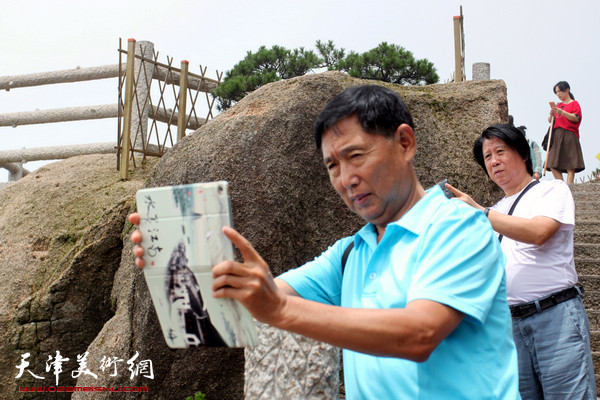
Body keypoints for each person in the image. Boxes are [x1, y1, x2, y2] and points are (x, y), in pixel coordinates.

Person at [130, 86, 520, 399]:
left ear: (405, 143)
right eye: (333, 165)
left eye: (356, 155)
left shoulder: (458, 227)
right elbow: (235, 309)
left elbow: (418, 334)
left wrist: (279, 309)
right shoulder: (351, 253)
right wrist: (177, 265)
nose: (346, 178)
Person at [446, 124, 596, 400]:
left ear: (524, 154)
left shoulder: (552, 191)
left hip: (555, 316)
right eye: (487, 157)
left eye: (500, 151)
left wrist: (479, 212)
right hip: (508, 327)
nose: (494, 161)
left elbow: (539, 233)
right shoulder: (497, 210)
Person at [546, 81, 585, 184]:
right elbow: (550, 120)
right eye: (556, 92)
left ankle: (570, 185)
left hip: (570, 134)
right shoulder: (558, 105)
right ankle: (562, 184)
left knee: (570, 162)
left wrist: (562, 112)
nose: (558, 94)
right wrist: (552, 114)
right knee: (551, 163)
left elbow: (576, 118)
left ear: (567, 90)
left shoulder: (574, 103)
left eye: (559, 91)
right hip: (557, 134)